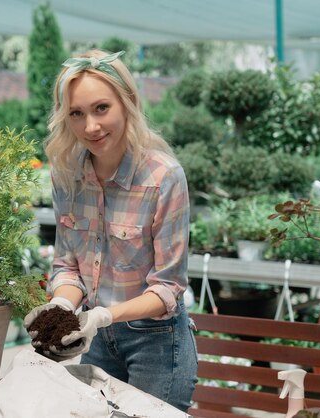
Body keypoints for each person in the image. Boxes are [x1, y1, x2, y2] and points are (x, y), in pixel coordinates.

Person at [24, 49, 198, 412]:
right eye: (77, 113)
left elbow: (168, 287)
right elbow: (68, 266)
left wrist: (103, 315)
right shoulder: (66, 176)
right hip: (97, 340)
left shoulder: (163, 177)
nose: (90, 127)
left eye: (101, 108)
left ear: (128, 102)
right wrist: (60, 306)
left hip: (157, 343)